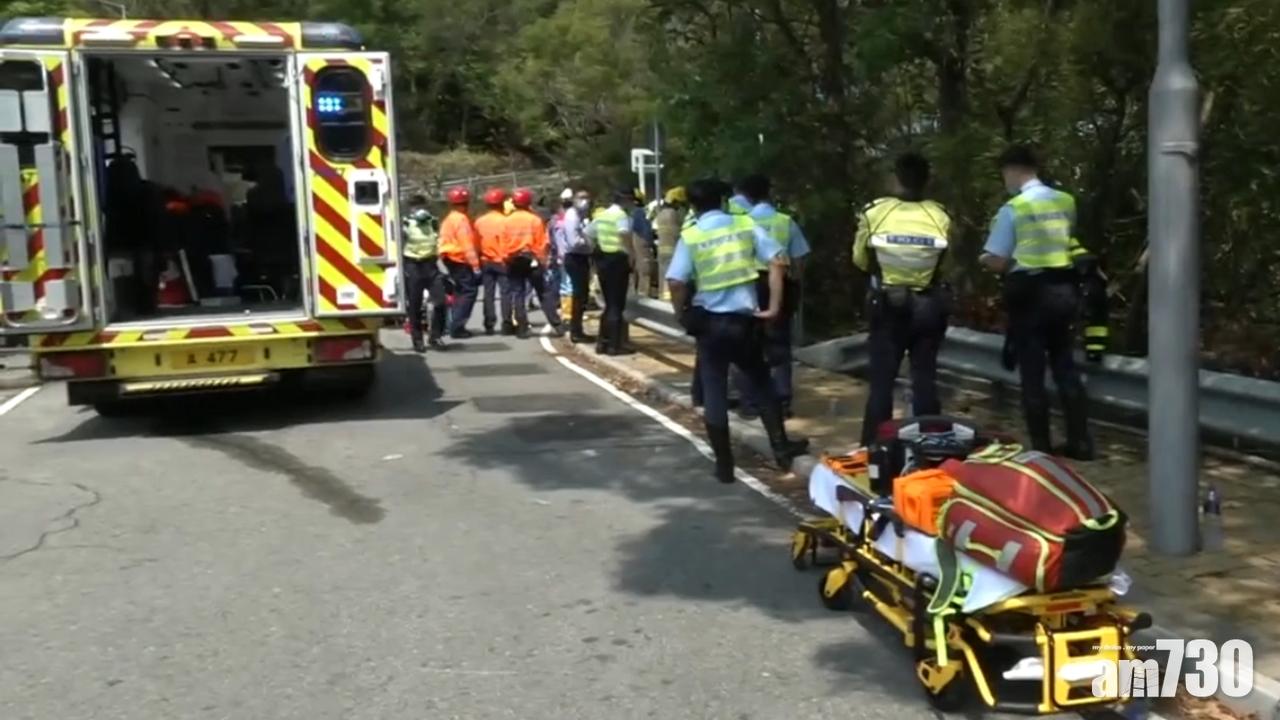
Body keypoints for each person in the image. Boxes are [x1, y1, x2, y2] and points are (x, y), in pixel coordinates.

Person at [667, 179, 809, 483]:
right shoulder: (744, 225)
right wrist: (772, 306)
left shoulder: (691, 236)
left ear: (692, 206)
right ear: (722, 200)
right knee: (762, 382)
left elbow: (676, 281)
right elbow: (778, 260)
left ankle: (724, 465)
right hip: (744, 322)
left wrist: (682, 314)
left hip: (709, 324)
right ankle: (781, 450)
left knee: (715, 389)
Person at [980, 145, 1094, 460]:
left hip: (1030, 295)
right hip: (1063, 292)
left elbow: (1000, 261)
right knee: (1064, 365)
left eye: (1004, 173)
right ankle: (1080, 442)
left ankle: (1041, 449)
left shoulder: (1013, 209)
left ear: (1013, 170)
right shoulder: (1066, 201)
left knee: (1032, 372)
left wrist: (984, 259)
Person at [852, 152, 953, 447]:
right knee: (925, 380)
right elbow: (948, 262)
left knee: (882, 383)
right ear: (927, 180)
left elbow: (859, 260)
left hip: (888, 306)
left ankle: (874, 450)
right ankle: (930, 448)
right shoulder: (941, 215)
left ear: (895, 177)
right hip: (928, 306)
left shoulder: (875, 212)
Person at [730, 174, 810, 419]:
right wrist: (794, 280)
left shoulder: (740, 223)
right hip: (779, 285)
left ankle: (750, 402)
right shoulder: (785, 222)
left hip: (747, 286)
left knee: (746, 345)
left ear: (745, 195)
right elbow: (799, 258)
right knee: (780, 344)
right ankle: (782, 401)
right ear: (769, 192)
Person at [585, 189, 635, 355]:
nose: (631, 204)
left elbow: (587, 233)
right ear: (625, 200)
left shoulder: (603, 215)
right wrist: (631, 254)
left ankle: (602, 343)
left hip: (603, 261)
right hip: (618, 260)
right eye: (630, 200)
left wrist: (596, 248)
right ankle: (614, 345)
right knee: (616, 304)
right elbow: (624, 233)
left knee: (608, 303)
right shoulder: (621, 216)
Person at [401, 195, 448, 352]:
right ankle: (417, 339)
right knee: (414, 305)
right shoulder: (405, 223)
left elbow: (439, 242)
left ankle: (435, 336)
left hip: (430, 265)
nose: (420, 210)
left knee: (441, 302)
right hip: (413, 265)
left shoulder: (433, 222)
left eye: (422, 206)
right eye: (416, 207)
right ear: (410, 209)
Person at [503, 188, 547, 339]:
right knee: (543, 292)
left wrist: (506, 258)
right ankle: (557, 324)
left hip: (513, 259)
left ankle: (522, 327)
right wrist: (542, 261)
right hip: (531, 258)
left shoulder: (507, 220)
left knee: (518, 294)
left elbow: (503, 242)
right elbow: (542, 243)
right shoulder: (535, 220)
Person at [438, 187, 481, 339]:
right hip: (459, 258)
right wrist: (475, 265)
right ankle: (457, 326)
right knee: (469, 291)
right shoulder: (462, 219)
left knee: (460, 291)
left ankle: (453, 323)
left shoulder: (449, 218)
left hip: (449, 257)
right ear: (467, 202)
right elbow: (467, 244)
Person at [476, 188, 512, 335]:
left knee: (488, 294)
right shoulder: (506, 221)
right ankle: (507, 323)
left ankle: (489, 324)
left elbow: (475, 243)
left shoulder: (479, 222)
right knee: (506, 293)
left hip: (486, 260)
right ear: (502, 203)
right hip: (503, 261)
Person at [561, 190, 595, 343]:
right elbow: (574, 241)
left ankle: (577, 329)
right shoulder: (572, 216)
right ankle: (576, 331)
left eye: (587, 198)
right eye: (581, 198)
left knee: (582, 295)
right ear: (574, 199)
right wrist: (590, 243)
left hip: (580, 257)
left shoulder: (581, 216)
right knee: (579, 294)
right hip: (575, 258)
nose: (585, 201)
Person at [630, 188, 656, 296]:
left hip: (631, 240)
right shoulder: (640, 212)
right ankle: (644, 292)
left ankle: (634, 292)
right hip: (641, 241)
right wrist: (651, 243)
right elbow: (645, 230)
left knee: (635, 267)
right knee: (645, 267)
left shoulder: (629, 211)